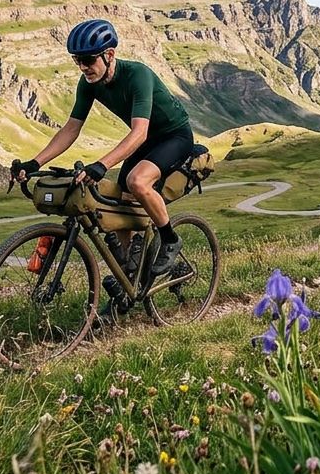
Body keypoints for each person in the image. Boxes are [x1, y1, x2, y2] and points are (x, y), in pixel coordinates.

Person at [10, 18, 193, 308]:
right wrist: (35, 162)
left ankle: (170, 239)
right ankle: (129, 277)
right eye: (77, 60)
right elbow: (71, 128)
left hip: (174, 136)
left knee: (137, 181)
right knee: (121, 203)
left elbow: (140, 132)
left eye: (88, 60)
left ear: (109, 55)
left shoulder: (138, 75)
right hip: (147, 141)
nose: (82, 67)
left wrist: (102, 164)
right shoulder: (89, 84)